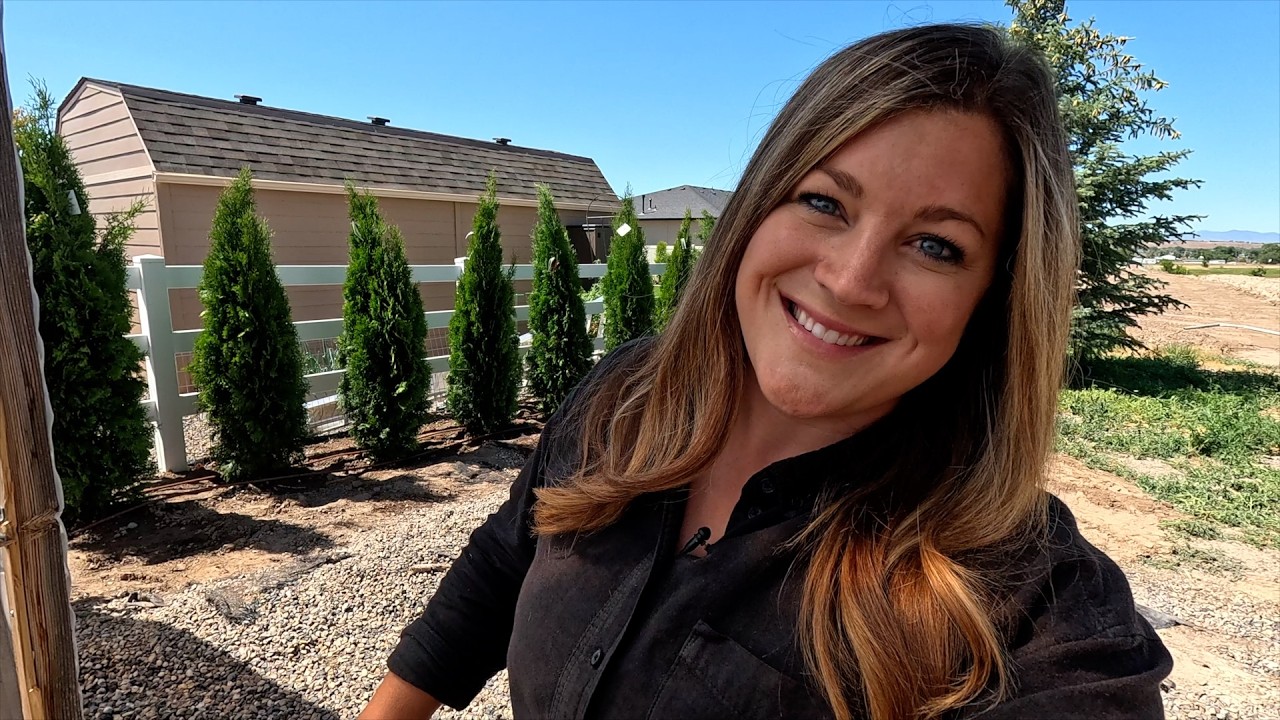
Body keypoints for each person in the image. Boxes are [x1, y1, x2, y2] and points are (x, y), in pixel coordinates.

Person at [359, 22, 1172, 720]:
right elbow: (504, 561)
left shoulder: (1030, 607)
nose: (851, 281)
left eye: (937, 245)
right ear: (756, 208)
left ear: (992, 301)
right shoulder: (626, 395)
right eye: (825, 202)